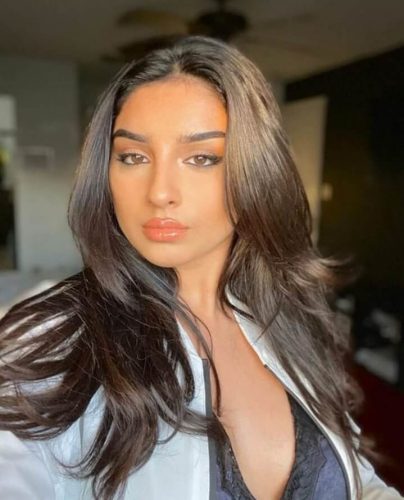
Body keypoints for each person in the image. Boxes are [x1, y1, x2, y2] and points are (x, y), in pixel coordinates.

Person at [0, 35, 401, 500]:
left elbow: (356, 476)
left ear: (255, 174)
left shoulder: (290, 317)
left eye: (201, 158)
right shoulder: (56, 339)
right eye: (133, 157)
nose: (159, 192)